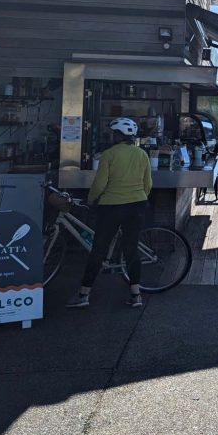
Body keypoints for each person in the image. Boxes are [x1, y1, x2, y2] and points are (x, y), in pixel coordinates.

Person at [67, 117, 153, 309]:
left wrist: (91, 201)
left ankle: (84, 294)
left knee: (98, 250)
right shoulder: (142, 154)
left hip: (112, 207)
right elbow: (148, 184)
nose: (111, 136)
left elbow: (99, 184)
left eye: (113, 133)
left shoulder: (109, 154)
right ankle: (136, 295)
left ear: (118, 135)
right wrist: (139, 198)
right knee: (131, 250)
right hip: (137, 205)